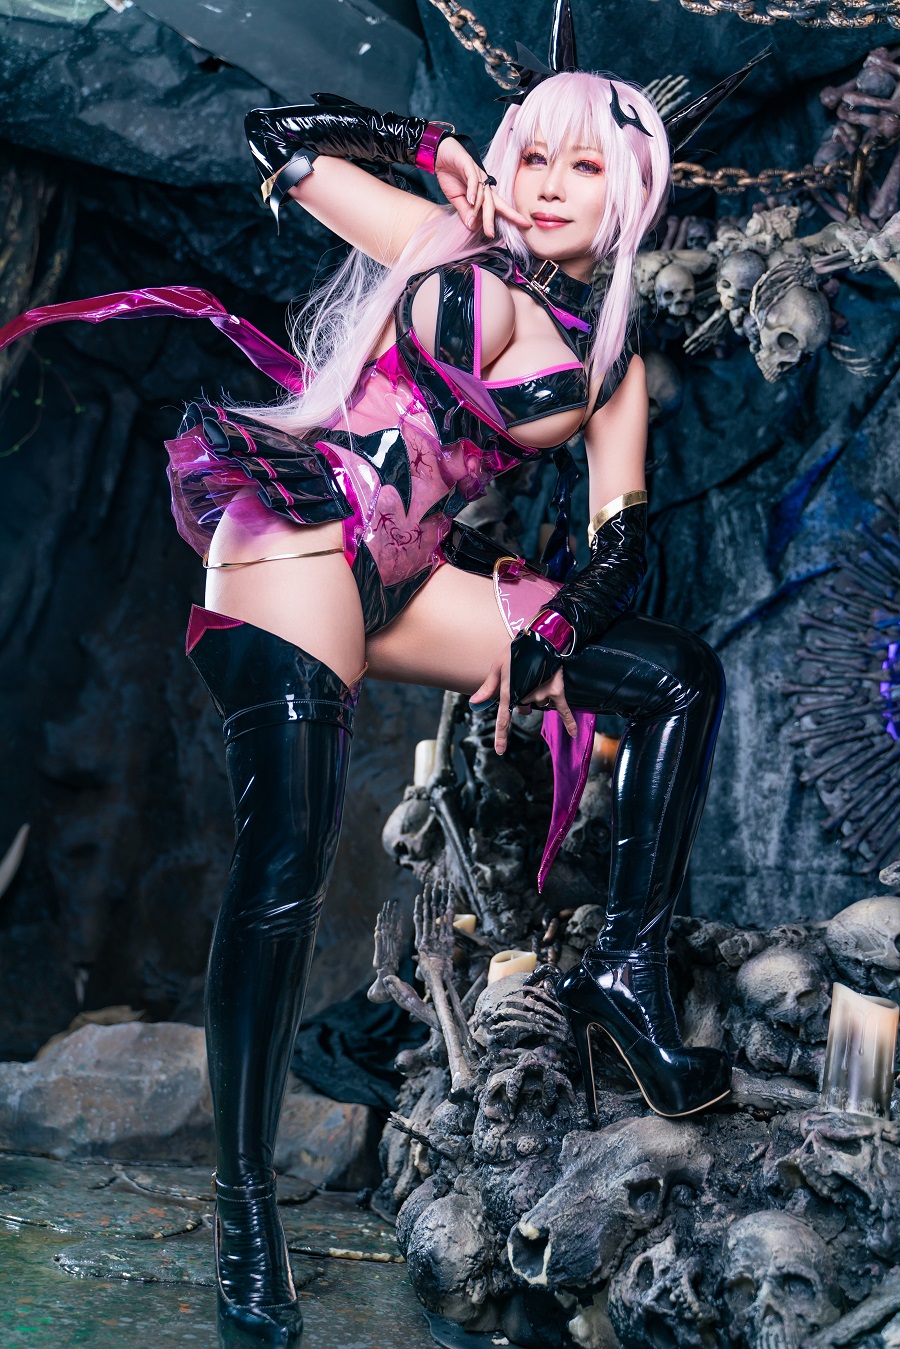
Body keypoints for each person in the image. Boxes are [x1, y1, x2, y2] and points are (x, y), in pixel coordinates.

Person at [0, 6, 761, 1341]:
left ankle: (625, 972)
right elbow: (276, 138)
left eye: (584, 165)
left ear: (629, 195)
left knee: (675, 675)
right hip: (299, 540)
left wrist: (557, 632)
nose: (548, 183)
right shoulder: (437, 234)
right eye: (534, 154)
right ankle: (247, 1210)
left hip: (412, 582)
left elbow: (619, 541)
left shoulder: (609, 363)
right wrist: (420, 143)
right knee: (283, 871)